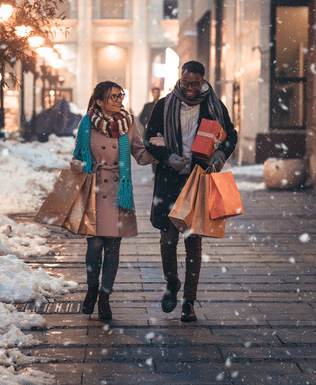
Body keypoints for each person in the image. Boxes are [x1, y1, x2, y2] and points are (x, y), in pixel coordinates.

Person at [143, 61, 238, 322]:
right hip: (169, 182)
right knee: (167, 241)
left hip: (198, 180)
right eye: (185, 83)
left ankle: (189, 301)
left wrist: (220, 153)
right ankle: (172, 284)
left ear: (203, 81)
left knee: (193, 243)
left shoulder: (214, 106)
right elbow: (149, 139)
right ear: (179, 79)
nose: (190, 88)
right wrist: (168, 157)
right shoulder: (164, 105)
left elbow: (231, 135)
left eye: (195, 83)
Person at [69, 81, 156, 320]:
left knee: (113, 248)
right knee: (94, 246)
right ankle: (91, 289)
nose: (119, 100)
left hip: (119, 191)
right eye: (113, 96)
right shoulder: (87, 123)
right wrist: (81, 164)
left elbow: (139, 152)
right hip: (95, 189)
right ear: (98, 101)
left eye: (120, 95)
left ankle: (105, 297)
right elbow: (77, 156)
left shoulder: (128, 123)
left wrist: (157, 151)